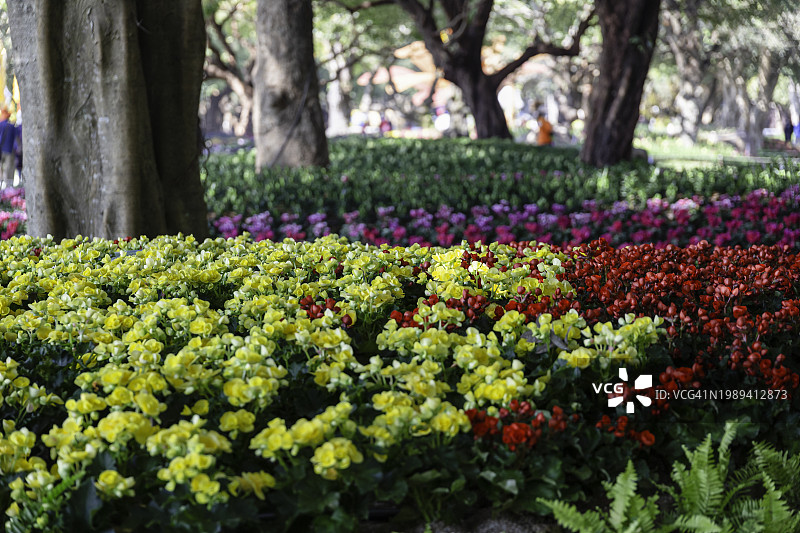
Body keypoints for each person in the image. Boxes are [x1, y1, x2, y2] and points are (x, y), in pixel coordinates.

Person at [0, 108, 17, 188]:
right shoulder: (12, 126)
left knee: (1, 168)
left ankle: (1, 182)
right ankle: (8, 186)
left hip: (1, 150)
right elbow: (16, 139)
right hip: (9, 150)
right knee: (9, 168)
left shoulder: (0, 125)